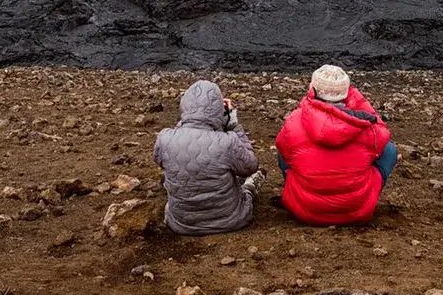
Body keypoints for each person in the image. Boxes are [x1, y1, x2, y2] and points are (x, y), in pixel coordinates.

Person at [275, 65, 398, 226]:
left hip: (306, 211)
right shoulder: (363, 125)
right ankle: (360, 197)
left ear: (312, 90)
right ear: (346, 93)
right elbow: (382, 132)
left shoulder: (295, 120)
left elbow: (283, 150)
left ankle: (301, 191)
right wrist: (357, 98)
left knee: (287, 148)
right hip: (356, 211)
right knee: (389, 150)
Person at [153, 80, 264, 236]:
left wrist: (186, 123)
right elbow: (251, 166)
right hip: (230, 220)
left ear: (185, 105)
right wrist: (233, 125)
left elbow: (159, 159)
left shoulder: (164, 139)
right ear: (219, 110)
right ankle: (250, 188)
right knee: (243, 185)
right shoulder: (228, 141)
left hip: (180, 223)